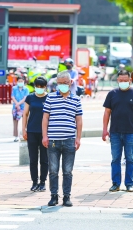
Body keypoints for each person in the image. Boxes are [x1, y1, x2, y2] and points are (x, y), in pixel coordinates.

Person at [42, 71, 83, 207]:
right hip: (53, 140)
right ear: (57, 84)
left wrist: (78, 138)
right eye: (60, 83)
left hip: (69, 140)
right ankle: (54, 196)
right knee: (53, 170)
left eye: (65, 83)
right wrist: (45, 136)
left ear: (71, 83)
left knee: (67, 171)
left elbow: (79, 120)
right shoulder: (50, 98)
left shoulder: (76, 99)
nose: (63, 86)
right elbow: (45, 118)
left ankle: (67, 196)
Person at [102, 70, 133, 193]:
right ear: (117, 80)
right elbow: (107, 113)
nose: (123, 82)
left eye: (126, 80)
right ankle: (115, 183)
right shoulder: (112, 94)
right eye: (121, 80)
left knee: (130, 159)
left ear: (130, 80)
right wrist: (105, 129)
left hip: (131, 131)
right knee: (115, 159)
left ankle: (129, 183)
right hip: (115, 132)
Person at [22, 76, 49, 192]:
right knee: (33, 159)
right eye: (37, 87)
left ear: (45, 87)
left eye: (41, 87)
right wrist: (24, 129)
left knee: (44, 159)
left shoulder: (49, 98)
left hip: (44, 133)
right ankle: (34, 182)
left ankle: (43, 182)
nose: (39, 89)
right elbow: (25, 114)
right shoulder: (30, 98)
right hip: (32, 131)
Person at [11, 76, 29, 142]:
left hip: (23, 107)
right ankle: (16, 136)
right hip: (15, 107)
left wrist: (18, 104)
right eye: (19, 81)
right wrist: (16, 104)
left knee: (25, 122)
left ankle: (25, 135)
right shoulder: (14, 88)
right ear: (17, 81)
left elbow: (25, 98)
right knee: (15, 122)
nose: (20, 82)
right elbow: (12, 96)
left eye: (21, 81)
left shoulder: (26, 89)